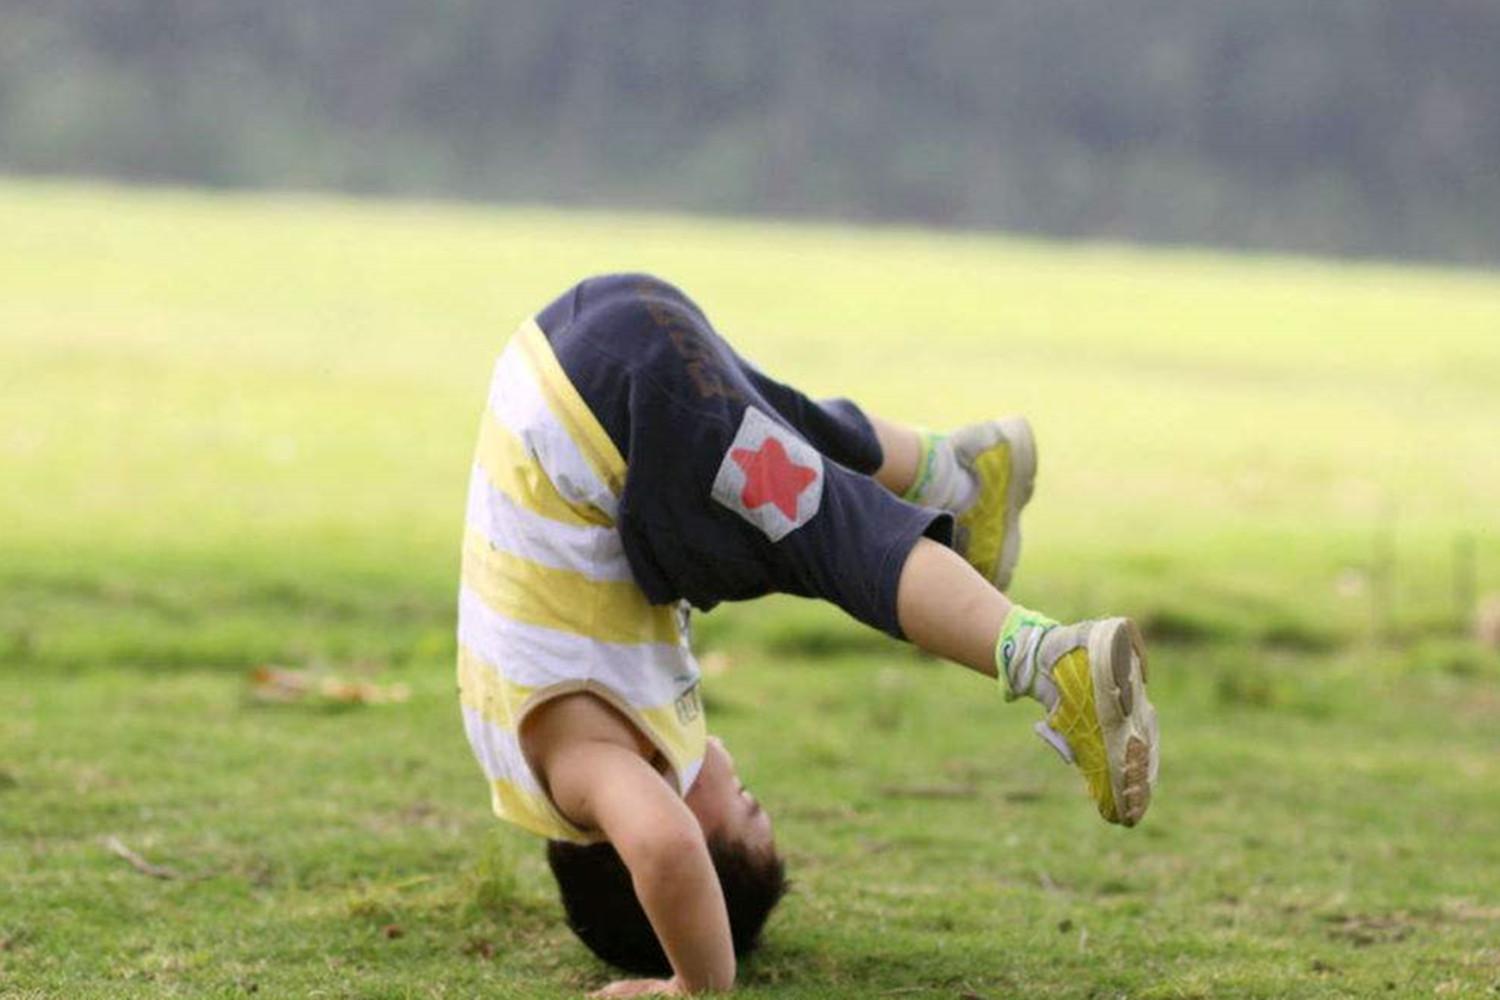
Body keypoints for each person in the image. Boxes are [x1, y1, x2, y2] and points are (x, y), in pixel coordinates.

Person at [456, 274, 1159, 997]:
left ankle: (1051, 662)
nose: (738, 775)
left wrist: (694, 984)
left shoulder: (579, 773)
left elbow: (665, 850)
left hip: (601, 413)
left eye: (748, 806)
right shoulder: (537, 723)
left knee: (826, 534)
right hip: (582, 334)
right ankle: (949, 473)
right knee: (767, 475)